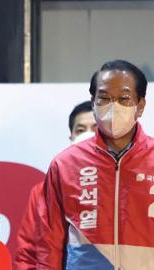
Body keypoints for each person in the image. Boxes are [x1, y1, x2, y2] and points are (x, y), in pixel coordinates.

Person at [36, 60, 153, 269]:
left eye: (124, 98)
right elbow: (49, 242)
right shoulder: (65, 164)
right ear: (93, 101)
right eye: (105, 98)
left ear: (140, 105)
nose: (113, 106)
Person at [14, 100, 96, 269]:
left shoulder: (124, 187)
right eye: (80, 130)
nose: (88, 135)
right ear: (71, 137)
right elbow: (27, 254)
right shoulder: (44, 190)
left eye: (96, 129)